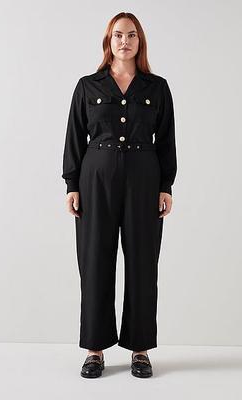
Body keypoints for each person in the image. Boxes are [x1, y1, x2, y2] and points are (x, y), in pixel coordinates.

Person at [62, 12, 177, 378]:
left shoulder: (156, 88)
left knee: (143, 262)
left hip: (144, 179)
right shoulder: (88, 86)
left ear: (140, 41)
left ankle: (140, 349)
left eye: (131, 35)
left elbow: (167, 140)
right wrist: (72, 185)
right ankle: (94, 349)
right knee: (95, 260)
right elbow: (74, 135)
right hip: (96, 179)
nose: (124, 41)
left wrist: (166, 186)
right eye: (117, 35)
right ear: (108, 42)